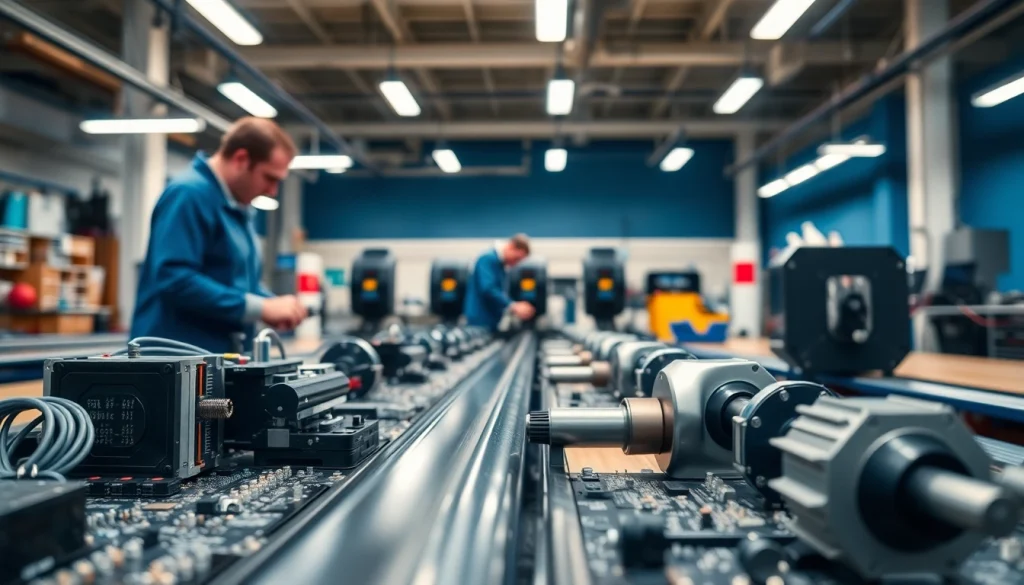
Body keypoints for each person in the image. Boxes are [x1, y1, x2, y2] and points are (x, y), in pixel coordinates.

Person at [131, 117, 307, 353]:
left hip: (215, 356)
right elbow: (175, 279)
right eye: (269, 178)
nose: (272, 191)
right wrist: (262, 308)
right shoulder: (188, 195)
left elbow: (236, 283)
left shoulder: (237, 209)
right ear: (241, 159)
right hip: (175, 358)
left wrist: (270, 303)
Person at [464, 234, 536, 331]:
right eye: (516, 258)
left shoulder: (501, 265)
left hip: (490, 320)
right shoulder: (487, 259)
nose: (515, 263)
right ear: (511, 246)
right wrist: (513, 306)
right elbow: (488, 289)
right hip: (480, 321)